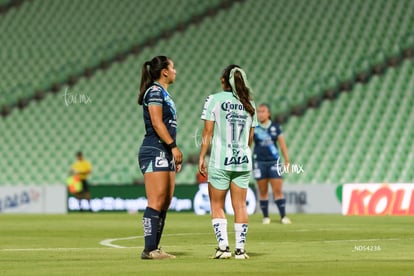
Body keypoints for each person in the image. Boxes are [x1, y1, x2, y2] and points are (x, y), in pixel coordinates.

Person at [199, 64, 257, 260]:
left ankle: (223, 248)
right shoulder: (250, 104)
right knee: (240, 205)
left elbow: (207, 133)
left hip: (220, 161)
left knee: (217, 205)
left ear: (224, 80)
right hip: (242, 161)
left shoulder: (214, 99)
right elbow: (250, 138)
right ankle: (240, 250)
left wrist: (202, 156)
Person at [137, 55, 183, 260]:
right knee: (155, 200)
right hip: (155, 149)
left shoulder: (164, 93)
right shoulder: (154, 91)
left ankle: (155, 247)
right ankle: (148, 249)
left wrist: (171, 152)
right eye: (173, 67)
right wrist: (173, 147)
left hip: (164, 152)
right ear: (164, 71)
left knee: (165, 202)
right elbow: (156, 123)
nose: (175, 71)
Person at [253, 103, 291, 224]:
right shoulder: (254, 127)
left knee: (277, 190)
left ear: (269, 113)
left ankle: (283, 216)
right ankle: (265, 217)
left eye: (263, 111)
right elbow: (248, 143)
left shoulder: (276, 127)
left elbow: (282, 145)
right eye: (258, 112)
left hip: (274, 162)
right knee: (263, 191)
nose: (260, 114)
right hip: (259, 162)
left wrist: (287, 160)